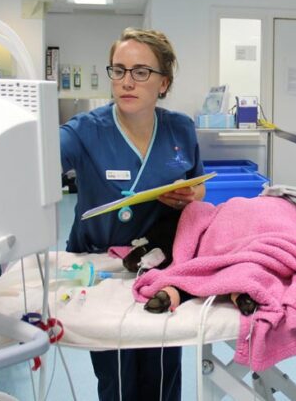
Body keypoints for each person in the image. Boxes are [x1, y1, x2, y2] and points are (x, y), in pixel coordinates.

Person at [60, 28, 205, 401]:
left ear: (164, 82)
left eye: (141, 72)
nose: (127, 81)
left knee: (162, 373)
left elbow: (199, 184)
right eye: (119, 70)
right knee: (116, 378)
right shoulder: (85, 131)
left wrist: (190, 195)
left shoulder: (180, 128)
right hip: (100, 268)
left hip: (159, 265)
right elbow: (42, 157)